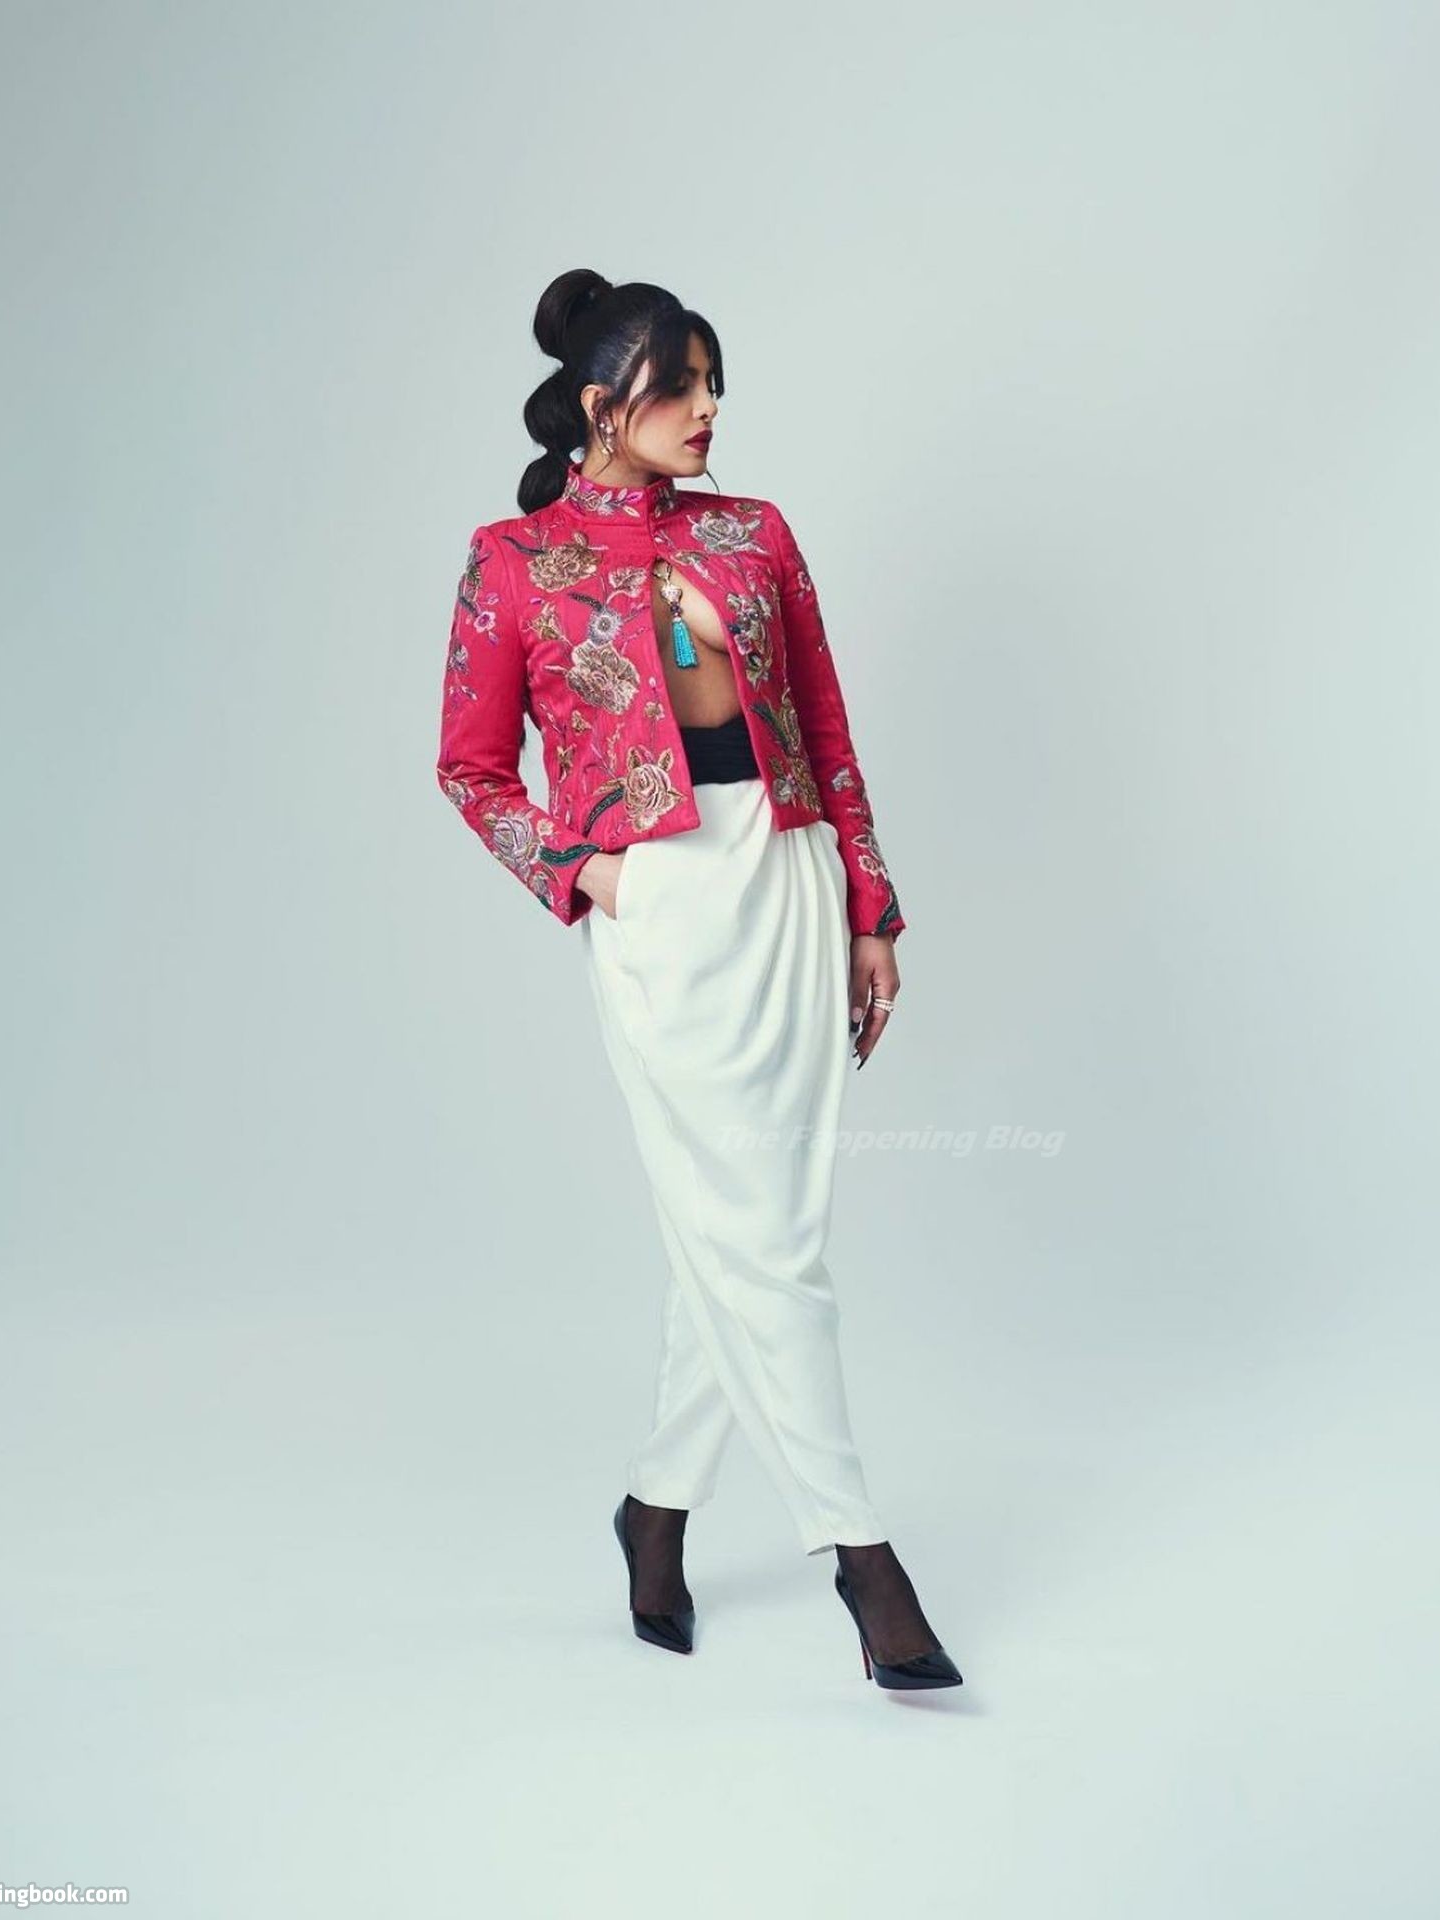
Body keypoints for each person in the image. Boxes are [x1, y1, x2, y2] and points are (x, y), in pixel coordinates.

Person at [436, 269, 962, 1690]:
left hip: (787, 874)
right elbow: (470, 769)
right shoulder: (515, 560)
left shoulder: (756, 532)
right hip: (660, 901)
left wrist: (869, 908)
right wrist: (587, 875)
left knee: (746, 1226)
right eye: (680, 384)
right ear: (603, 405)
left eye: (714, 381)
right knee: (767, 1246)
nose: (709, 407)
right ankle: (863, 1558)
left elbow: (829, 730)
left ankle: (656, 1509)